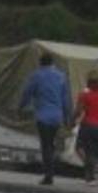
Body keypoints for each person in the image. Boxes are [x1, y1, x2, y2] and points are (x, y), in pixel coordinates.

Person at [19, 52, 72, 186]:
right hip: (56, 117)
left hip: (43, 116)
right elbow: (66, 99)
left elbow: (27, 93)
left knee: (46, 145)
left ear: (41, 63)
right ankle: (50, 171)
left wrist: (21, 107)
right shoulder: (61, 76)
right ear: (52, 63)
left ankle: (49, 175)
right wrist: (67, 118)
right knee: (51, 144)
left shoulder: (36, 76)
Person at [74, 71, 98, 185]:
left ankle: (92, 175)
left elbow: (78, 111)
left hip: (89, 126)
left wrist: (71, 121)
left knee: (86, 150)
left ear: (89, 83)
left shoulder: (84, 95)